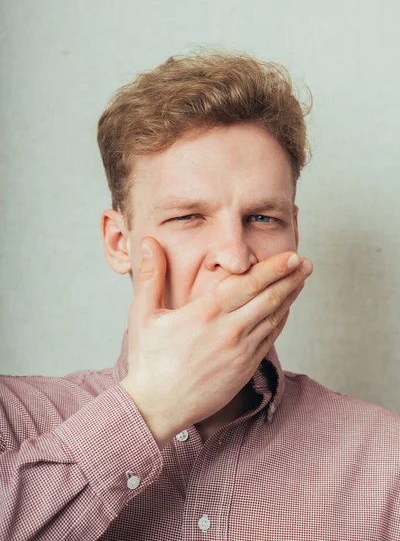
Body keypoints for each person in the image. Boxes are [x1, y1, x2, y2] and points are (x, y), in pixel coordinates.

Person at [1, 50, 399, 541]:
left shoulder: (384, 459)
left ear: (295, 234)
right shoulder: (13, 419)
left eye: (263, 218)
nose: (235, 257)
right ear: (119, 243)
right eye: (188, 217)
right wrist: (151, 407)